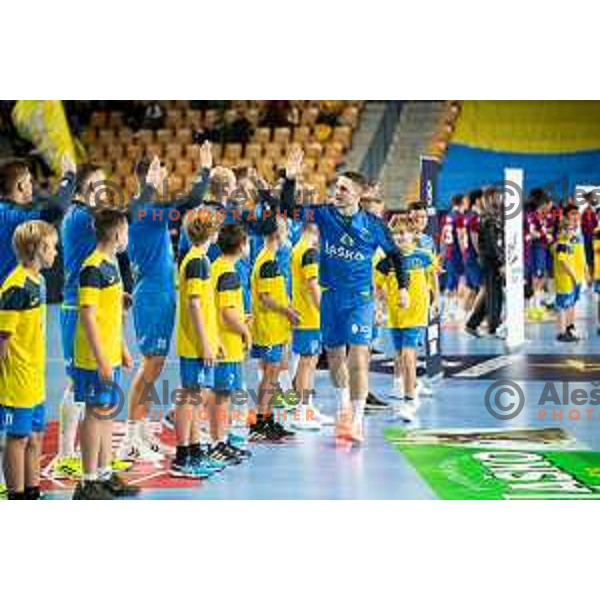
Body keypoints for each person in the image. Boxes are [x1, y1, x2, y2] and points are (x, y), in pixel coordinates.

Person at [278, 148, 409, 444]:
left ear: (358, 195)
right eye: (336, 187)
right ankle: (344, 410)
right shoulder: (324, 215)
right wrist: (289, 179)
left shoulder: (373, 226)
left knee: (359, 359)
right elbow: (288, 211)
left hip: (360, 300)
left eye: (343, 189)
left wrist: (401, 288)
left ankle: (358, 421)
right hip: (330, 298)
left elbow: (396, 256)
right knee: (335, 356)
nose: (336, 192)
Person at [120, 143, 212, 462]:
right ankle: (131, 436)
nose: (164, 179)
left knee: (154, 366)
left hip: (158, 291)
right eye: (160, 174)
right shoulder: (146, 210)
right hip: (153, 294)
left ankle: (141, 432)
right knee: (150, 365)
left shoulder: (146, 209)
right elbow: (192, 201)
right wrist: (205, 170)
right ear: (148, 178)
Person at [54, 163, 133, 479]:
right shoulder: (82, 218)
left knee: (96, 397)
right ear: (84, 189)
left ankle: (98, 465)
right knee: (80, 385)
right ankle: (66, 455)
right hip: (78, 306)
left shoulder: (87, 219)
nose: (105, 189)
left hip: (95, 300)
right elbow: (119, 222)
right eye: (98, 183)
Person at [72, 210, 139, 500]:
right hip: (93, 357)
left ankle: (104, 474)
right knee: (94, 414)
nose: (127, 237)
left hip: (110, 353)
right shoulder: (92, 268)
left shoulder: (111, 265)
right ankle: (87, 482)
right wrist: (101, 358)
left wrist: (121, 348)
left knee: (108, 413)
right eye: (125, 231)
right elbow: (87, 316)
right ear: (115, 234)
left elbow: (111, 316)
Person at [171, 209, 232, 478]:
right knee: (189, 397)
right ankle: (182, 457)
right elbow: (194, 305)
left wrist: (213, 339)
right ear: (211, 232)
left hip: (200, 342)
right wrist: (206, 343)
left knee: (194, 398)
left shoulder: (200, 259)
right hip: (194, 344)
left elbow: (204, 306)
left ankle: (194, 451)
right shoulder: (197, 262)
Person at [0, 221, 58, 499]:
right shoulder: (16, 287)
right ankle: (16, 495)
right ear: (38, 249)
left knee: (35, 437)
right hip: (17, 381)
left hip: (35, 378)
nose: (56, 252)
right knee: (17, 438)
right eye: (52, 247)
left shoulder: (39, 281)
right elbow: (3, 338)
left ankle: (32, 490)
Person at [375, 213, 437, 422]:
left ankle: (410, 401)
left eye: (403, 233)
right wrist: (379, 306)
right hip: (395, 316)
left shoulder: (424, 256)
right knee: (401, 356)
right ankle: (410, 389)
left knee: (409, 357)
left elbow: (433, 276)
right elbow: (377, 285)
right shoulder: (386, 262)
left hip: (416, 314)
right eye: (395, 234)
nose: (399, 237)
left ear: (413, 235)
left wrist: (435, 300)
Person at [249, 217, 298, 441]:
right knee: (270, 375)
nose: (288, 231)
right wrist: (287, 312)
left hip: (274, 327)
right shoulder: (267, 262)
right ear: (276, 233)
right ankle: (261, 423)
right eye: (285, 228)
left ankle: (266, 419)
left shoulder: (270, 259)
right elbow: (266, 297)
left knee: (271, 375)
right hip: (269, 328)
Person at [211, 224, 254, 454]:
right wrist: (245, 331)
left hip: (222, 341)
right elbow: (227, 313)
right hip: (226, 344)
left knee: (222, 395)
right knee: (222, 395)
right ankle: (218, 442)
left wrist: (241, 317)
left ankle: (222, 438)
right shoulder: (229, 272)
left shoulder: (218, 266)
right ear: (240, 246)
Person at [0, 156, 75, 284]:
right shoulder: (10, 215)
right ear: (21, 186)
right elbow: (57, 208)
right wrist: (69, 177)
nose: (32, 186)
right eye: (29, 181)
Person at [290, 221, 331, 429]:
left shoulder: (297, 249)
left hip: (305, 314)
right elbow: (313, 284)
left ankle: (308, 406)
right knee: (307, 363)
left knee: (310, 362)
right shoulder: (309, 252)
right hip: (310, 316)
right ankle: (302, 411)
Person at [465, 187, 505, 338]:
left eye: (499, 197)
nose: (499, 200)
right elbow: (491, 244)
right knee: (494, 294)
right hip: (491, 261)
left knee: (490, 292)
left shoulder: (495, 216)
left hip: (494, 259)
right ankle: (494, 327)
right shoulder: (487, 219)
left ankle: (472, 323)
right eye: (495, 197)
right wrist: (500, 262)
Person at [554, 217, 578, 342]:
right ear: (562, 230)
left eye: (572, 229)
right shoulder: (562, 244)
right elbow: (563, 262)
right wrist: (573, 275)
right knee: (562, 307)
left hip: (567, 281)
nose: (571, 232)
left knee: (566, 305)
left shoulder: (567, 243)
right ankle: (561, 332)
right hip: (563, 280)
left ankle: (565, 330)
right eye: (569, 229)